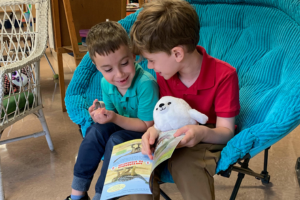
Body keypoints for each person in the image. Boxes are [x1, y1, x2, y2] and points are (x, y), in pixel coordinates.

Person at [130, 0, 240, 199]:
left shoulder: (225, 75)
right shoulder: (165, 74)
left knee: (186, 165)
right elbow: (163, 119)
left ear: (177, 53)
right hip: (170, 140)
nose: (150, 66)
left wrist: (200, 132)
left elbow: (226, 132)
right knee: (140, 167)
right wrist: (153, 131)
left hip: (206, 140)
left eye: (152, 60)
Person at [65, 21, 159, 200]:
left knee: (116, 140)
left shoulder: (146, 84)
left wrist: (114, 117)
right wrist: (101, 114)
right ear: (97, 66)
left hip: (146, 135)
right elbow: (112, 112)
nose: (119, 74)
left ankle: (102, 195)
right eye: (107, 69)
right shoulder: (105, 83)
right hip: (124, 127)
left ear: (132, 55)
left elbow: (146, 125)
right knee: (94, 131)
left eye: (124, 63)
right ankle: (77, 194)